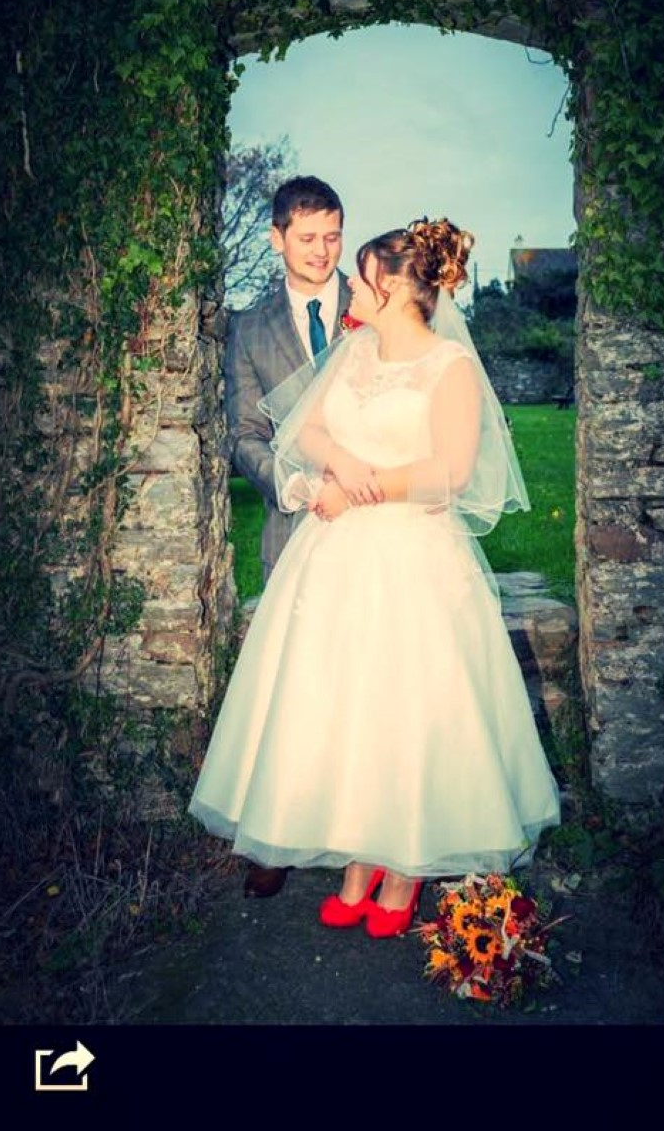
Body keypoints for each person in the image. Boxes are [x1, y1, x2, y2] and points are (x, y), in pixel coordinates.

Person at [191, 219, 560, 936]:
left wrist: (366, 488)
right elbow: (309, 427)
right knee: (345, 704)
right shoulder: (355, 349)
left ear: (390, 285)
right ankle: (359, 857)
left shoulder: (451, 367)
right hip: (336, 555)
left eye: (360, 277)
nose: (350, 288)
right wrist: (342, 464)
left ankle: (404, 867)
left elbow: (452, 471)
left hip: (413, 553)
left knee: (405, 704)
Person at [223, 175, 353, 897]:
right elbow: (244, 434)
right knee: (293, 685)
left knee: (367, 675)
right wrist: (295, 485)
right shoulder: (250, 327)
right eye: (306, 238)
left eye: (332, 236)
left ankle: (368, 827)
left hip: (373, 522)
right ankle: (277, 833)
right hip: (296, 524)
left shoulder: (375, 305)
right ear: (277, 238)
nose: (322, 251)